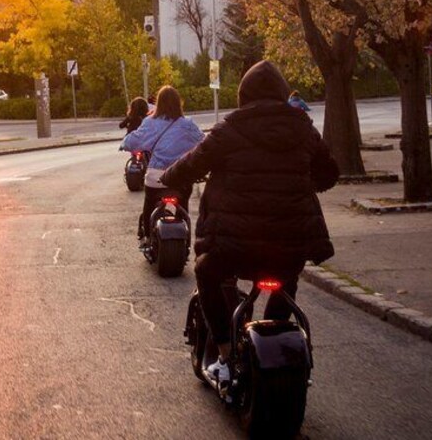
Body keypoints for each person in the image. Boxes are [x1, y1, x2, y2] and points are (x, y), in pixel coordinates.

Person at [161, 60, 339, 382]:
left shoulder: (231, 128)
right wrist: (300, 182)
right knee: (287, 275)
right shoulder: (303, 128)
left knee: (206, 270)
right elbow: (330, 173)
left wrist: (168, 176)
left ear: (244, 94)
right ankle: (279, 339)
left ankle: (226, 356)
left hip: (234, 246)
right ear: (283, 93)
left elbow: (192, 163)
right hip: (290, 244)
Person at [121, 86, 205, 247]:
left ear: (158, 104)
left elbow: (132, 141)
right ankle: (186, 239)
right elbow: (205, 144)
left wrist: (124, 144)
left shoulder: (149, 122)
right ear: (178, 103)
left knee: (149, 202)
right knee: (184, 202)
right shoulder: (188, 124)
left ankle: (146, 237)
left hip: (156, 178)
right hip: (180, 176)